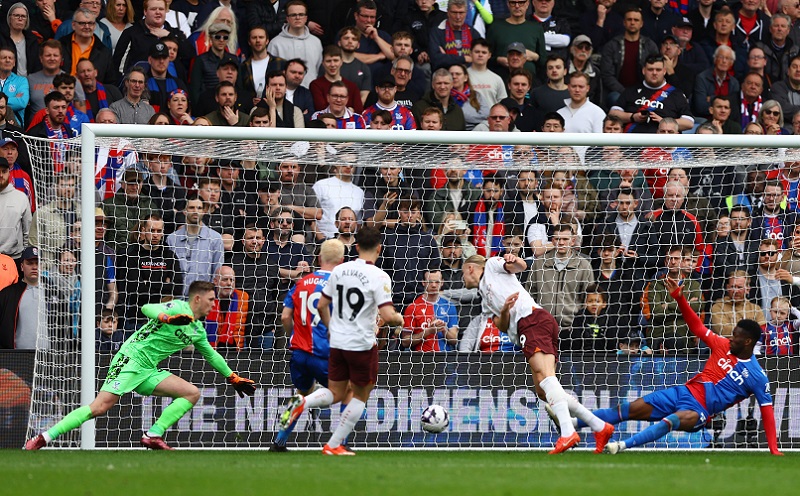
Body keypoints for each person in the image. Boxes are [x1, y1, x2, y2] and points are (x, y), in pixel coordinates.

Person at [24, 280, 256, 451]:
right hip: (131, 358)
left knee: (191, 393)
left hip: (148, 369)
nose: (213, 304)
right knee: (100, 407)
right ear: (197, 299)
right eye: (211, 300)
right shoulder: (177, 308)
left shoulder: (197, 330)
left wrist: (232, 377)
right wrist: (167, 318)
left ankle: (153, 435)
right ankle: (43, 437)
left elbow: (212, 355)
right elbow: (148, 308)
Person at [571, 276, 783, 455]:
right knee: (627, 409)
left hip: (700, 410)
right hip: (683, 392)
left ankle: (622, 446)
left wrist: (773, 449)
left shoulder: (757, 376)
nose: (731, 339)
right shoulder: (722, 344)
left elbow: (767, 412)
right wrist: (680, 299)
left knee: (674, 419)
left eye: (736, 337)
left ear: (748, 342)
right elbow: (697, 326)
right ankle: (571, 424)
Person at [461, 252, 614, 453]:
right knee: (544, 390)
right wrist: (506, 309)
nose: (462, 278)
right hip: (530, 325)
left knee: (545, 378)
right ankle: (600, 427)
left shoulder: (490, 265)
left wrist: (514, 260)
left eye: (462, 273)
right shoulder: (484, 299)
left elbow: (521, 267)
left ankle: (568, 433)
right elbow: (501, 324)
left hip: (532, 319)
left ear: (471, 268)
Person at [279, 226, 405, 456]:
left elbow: (320, 305)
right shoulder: (380, 275)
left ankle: (303, 403)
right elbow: (388, 316)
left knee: (336, 392)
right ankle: (335, 443)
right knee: (360, 393)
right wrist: (399, 319)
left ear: (355, 247)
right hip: (361, 343)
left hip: (336, 342)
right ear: (379, 248)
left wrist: (330, 329)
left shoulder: (340, 271)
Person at [271, 238, 347, 451]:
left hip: (298, 352)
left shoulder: (301, 283)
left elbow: (285, 317)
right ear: (341, 260)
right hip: (323, 351)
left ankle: (279, 441)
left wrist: (293, 336)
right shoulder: (340, 285)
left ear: (319, 258)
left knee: (301, 393)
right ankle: (341, 444)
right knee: (346, 391)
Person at [267, 0, 323, 86]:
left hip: (310, 92)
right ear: (287, 18)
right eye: (293, 15)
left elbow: (319, 70)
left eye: (301, 14)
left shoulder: (316, 42)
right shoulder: (275, 43)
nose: (297, 17)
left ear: (306, 18)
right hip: (284, 94)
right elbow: (271, 73)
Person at [401, 269, 459, 351]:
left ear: (442, 282)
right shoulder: (413, 307)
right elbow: (405, 342)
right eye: (430, 282)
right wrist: (428, 331)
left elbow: (454, 340)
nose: (434, 285)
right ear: (423, 283)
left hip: (445, 358)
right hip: (422, 358)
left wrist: (443, 328)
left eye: (437, 282)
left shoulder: (449, 306)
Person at [0, 246, 43, 349]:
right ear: (22, 266)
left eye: (37, 263)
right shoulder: (7, 294)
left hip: (47, 358)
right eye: (29, 263)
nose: (34, 267)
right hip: (16, 357)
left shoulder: (53, 292)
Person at [710, 271, 767, 338]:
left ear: (748, 289)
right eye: (733, 286)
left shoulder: (755, 308)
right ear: (727, 288)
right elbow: (722, 331)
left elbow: (762, 330)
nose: (736, 291)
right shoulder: (718, 307)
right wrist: (751, 331)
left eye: (739, 287)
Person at [0, 156, 30, 261]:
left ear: (9, 173)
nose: (1, 175)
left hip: (14, 258)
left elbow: (27, 231)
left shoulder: (21, 198)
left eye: (4, 171)